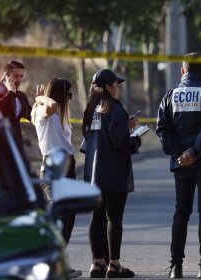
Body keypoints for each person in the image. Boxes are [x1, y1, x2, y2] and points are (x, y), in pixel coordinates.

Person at [156, 52, 201, 279]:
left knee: (181, 213)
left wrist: (180, 154)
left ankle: (175, 267)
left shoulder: (170, 95)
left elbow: (163, 128)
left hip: (181, 165)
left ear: (183, 71)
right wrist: (195, 152)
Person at [82, 69, 140, 279]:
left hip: (93, 174)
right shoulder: (114, 109)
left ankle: (97, 263)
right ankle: (114, 265)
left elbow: (86, 144)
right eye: (116, 84)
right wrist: (134, 135)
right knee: (114, 218)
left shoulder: (91, 110)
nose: (118, 88)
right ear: (108, 87)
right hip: (113, 172)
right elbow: (123, 143)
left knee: (96, 217)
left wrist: (125, 128)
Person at [31, 78, 81, 278]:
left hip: (66, 167)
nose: (70, 99)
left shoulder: (58, 115)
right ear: (60, 94)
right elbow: (50, 104)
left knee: (68, 217)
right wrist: (40, 97)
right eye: (68, 95)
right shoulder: (43, 110)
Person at [0, 60, 31, 149]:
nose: (19, 79)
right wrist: (10, 92)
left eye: (21, 76)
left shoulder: (21, 96)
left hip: (16, 146)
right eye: (16, 76)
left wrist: (41, 104)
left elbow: (31, 116)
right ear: (6, 76)